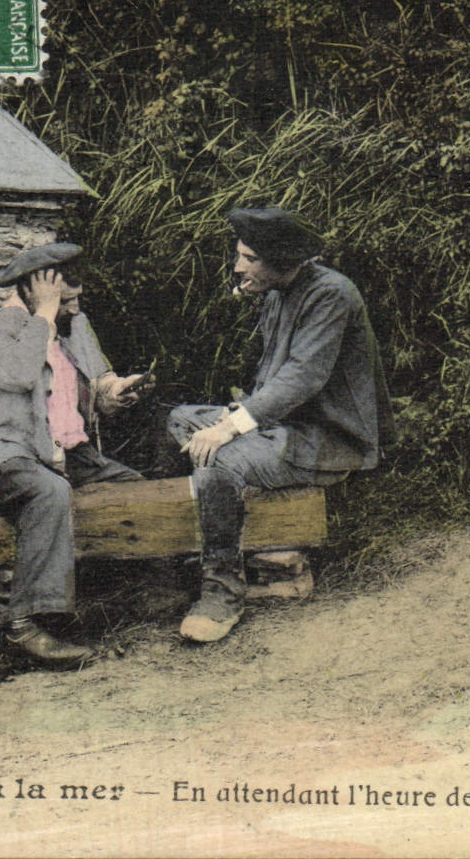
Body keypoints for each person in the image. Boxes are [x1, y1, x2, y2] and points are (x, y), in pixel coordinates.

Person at [168, 208, 394, 643]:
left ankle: (222, 591)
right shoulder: (276, 294)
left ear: (281, 259)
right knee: (180, 419)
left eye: (249, 258)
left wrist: (231, 429)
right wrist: (235, 415)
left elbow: (303, 377)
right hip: (281, 428)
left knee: (220, 461)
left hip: (327, 437)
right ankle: (217, 536)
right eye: (240, 256)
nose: (238, 268)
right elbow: (271, 380)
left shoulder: (332, 295)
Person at [0, 243, 151, 666]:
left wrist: (114, 392)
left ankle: (124, 599)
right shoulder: (2, 328)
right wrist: (44, 315)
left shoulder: (72, 325)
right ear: (33, 292)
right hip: (5, 453)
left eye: (77, 299)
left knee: (136, 492)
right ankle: (23, 626)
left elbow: (95, 384)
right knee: (49, 494)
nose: (76, 309)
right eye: (66, 300)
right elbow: (18, 375)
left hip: (65, 451)